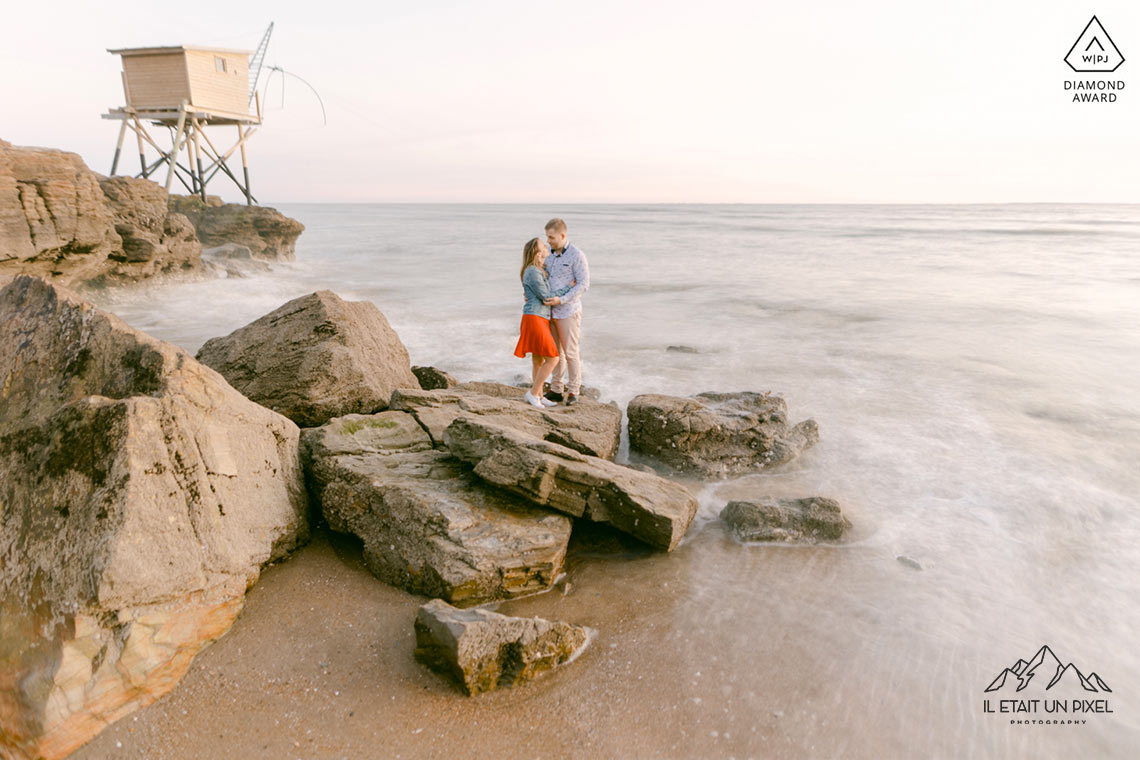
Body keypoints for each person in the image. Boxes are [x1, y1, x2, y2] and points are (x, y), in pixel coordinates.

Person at [514, 237, 575, 409]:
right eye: (543, 246)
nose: (547, 246)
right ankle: (533, 393)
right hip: (535, 317)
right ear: (537, 252)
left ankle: (539, 395)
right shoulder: (533, 271)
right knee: (553, 358)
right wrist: (568, 287)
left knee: (538, 360)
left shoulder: (538, 269)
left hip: (538, 317)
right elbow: (547, 297)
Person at [541, 218, 590, 406]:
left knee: (570, 352)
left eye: (551, 237)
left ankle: (574, 391)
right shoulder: (548, 255)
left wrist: (561, 299)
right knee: (555, 353)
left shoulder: (577, 255)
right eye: (547, 237)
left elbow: (584, 284)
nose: (549, 241)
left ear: (562, 235)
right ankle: (556, 389)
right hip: (549, 311)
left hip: (568, 310)